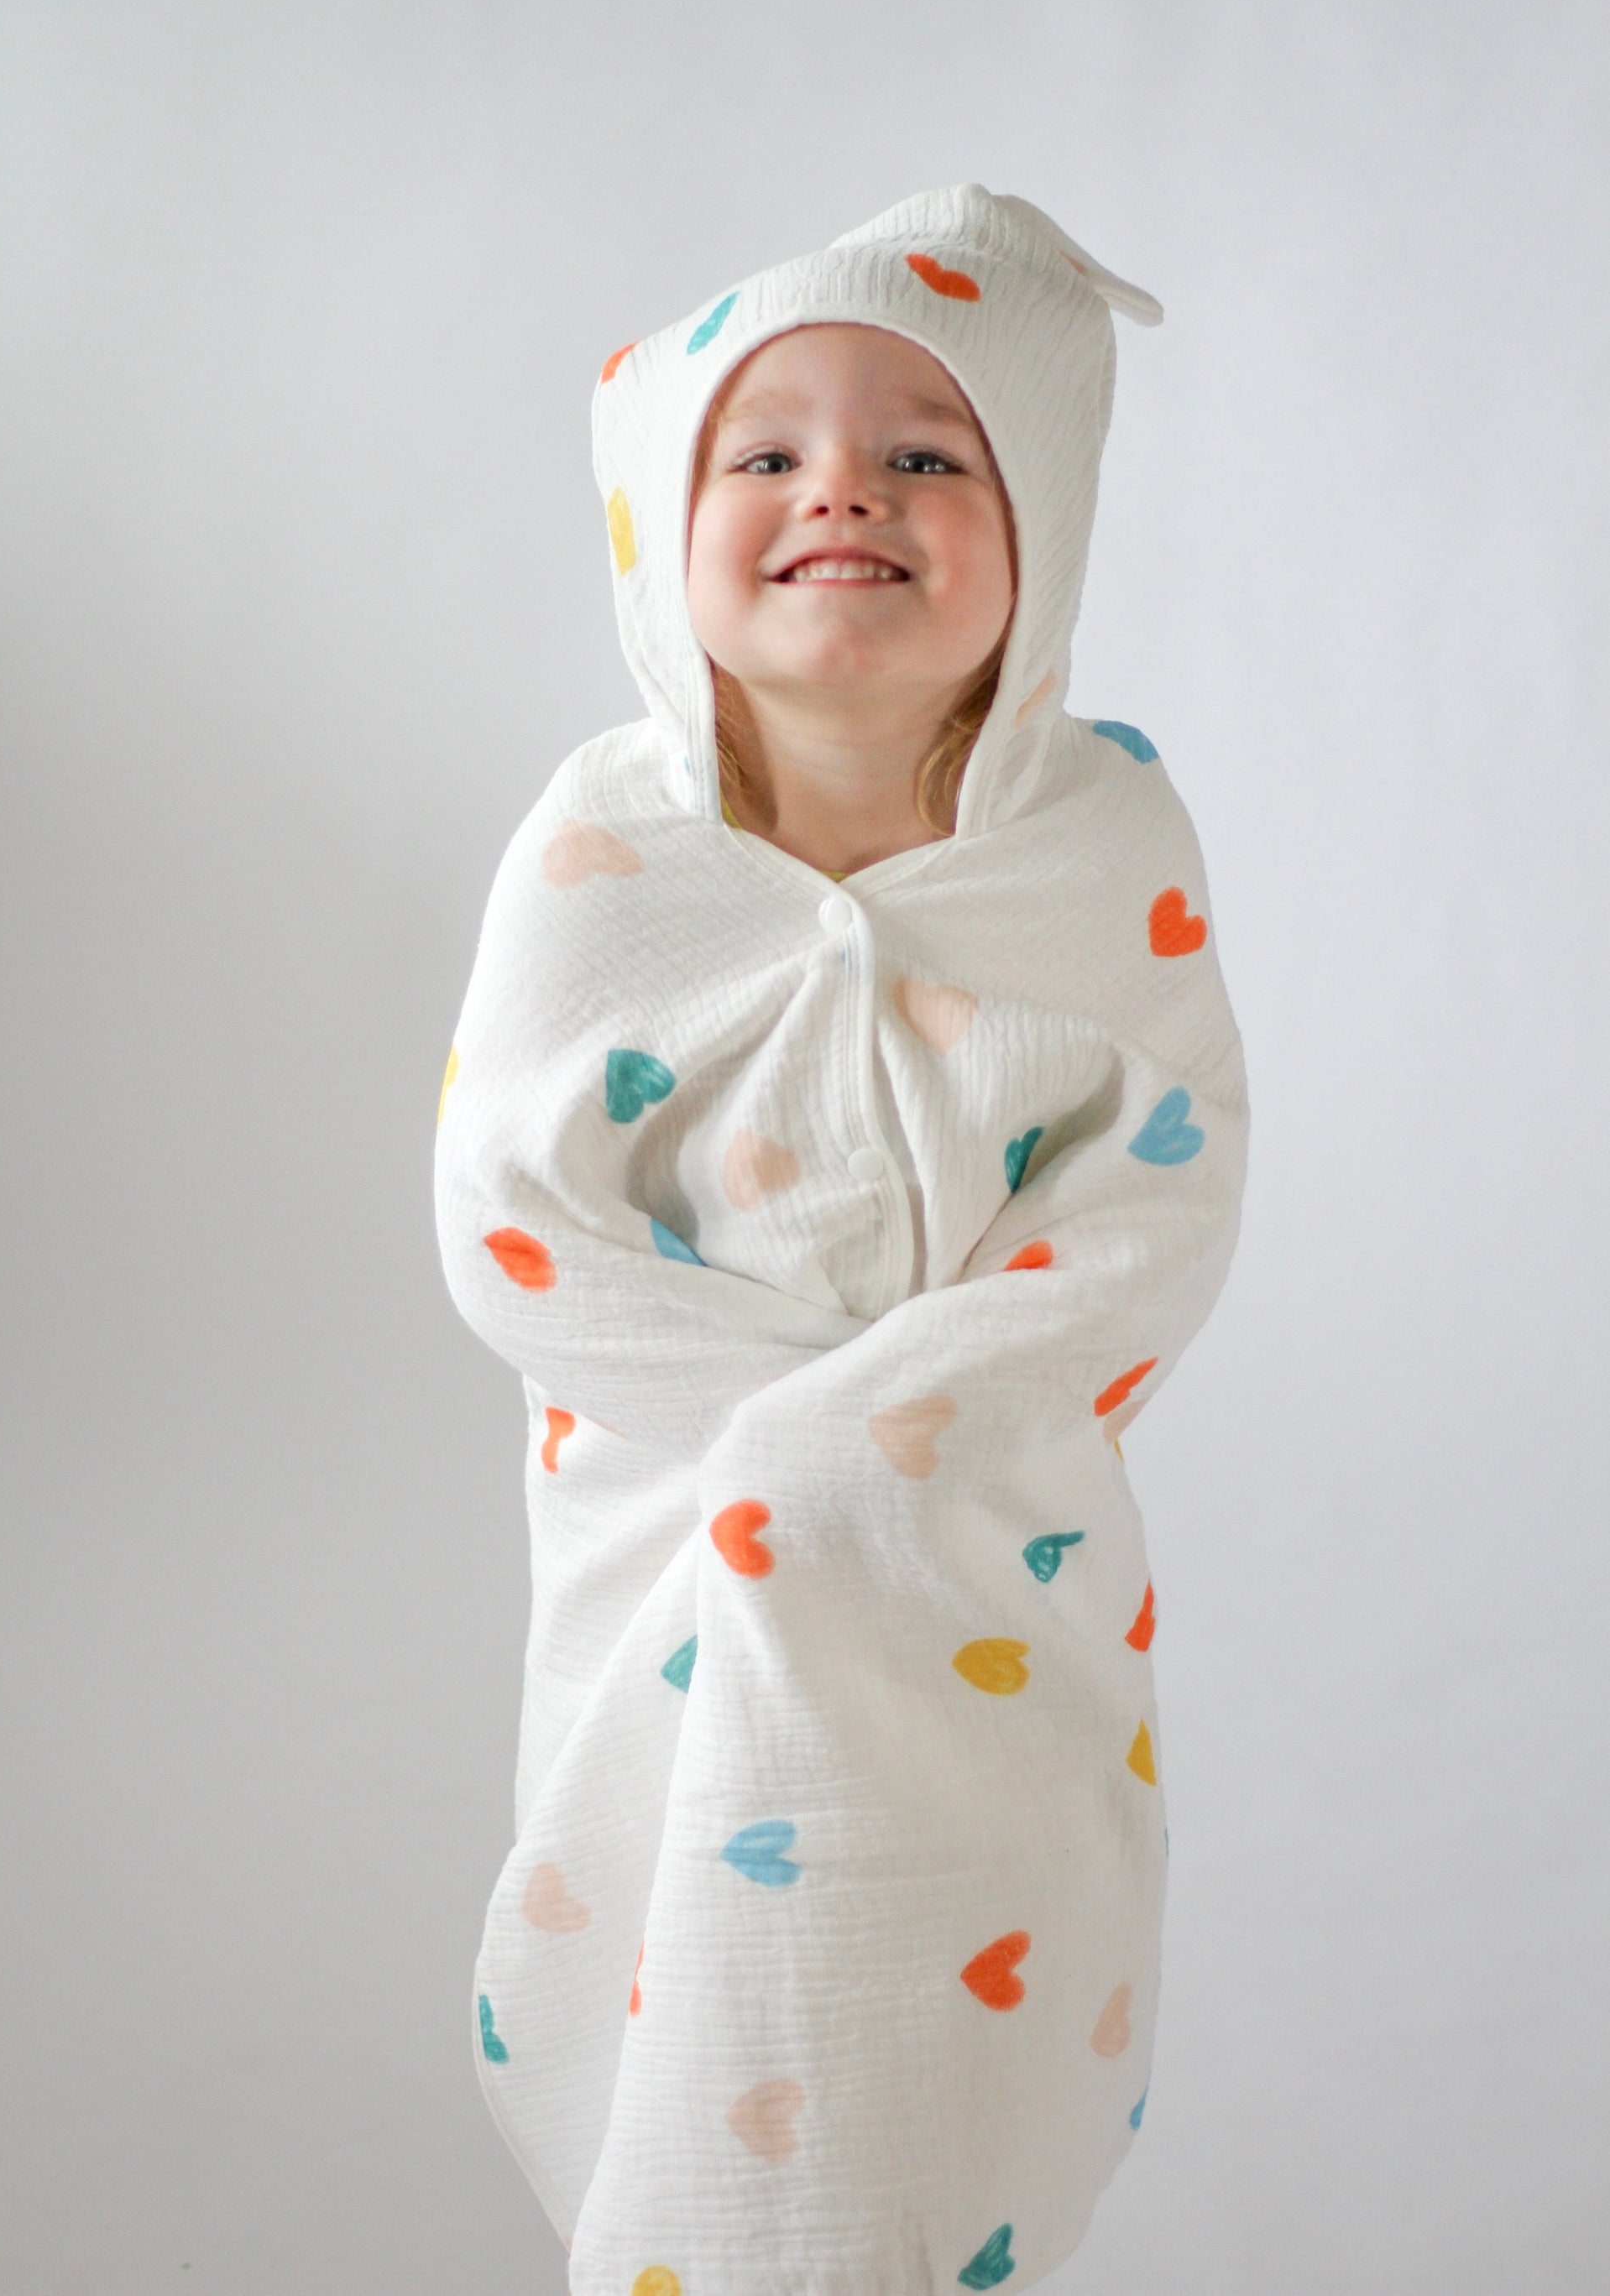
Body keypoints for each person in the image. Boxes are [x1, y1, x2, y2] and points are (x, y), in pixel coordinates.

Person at [434, 184, 1248, 2296]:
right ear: (664, 524)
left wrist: (900, 1437)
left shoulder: (1110, 833)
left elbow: (1151, 1194)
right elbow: (514, 1221)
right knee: (694, 1985)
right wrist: (781, 1446)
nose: (842, 495)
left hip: (992, 1548)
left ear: (1038, 518)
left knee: (953, 1997)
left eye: (923, 449)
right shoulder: (606, 842)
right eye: (766, 450)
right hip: (676, 1561)